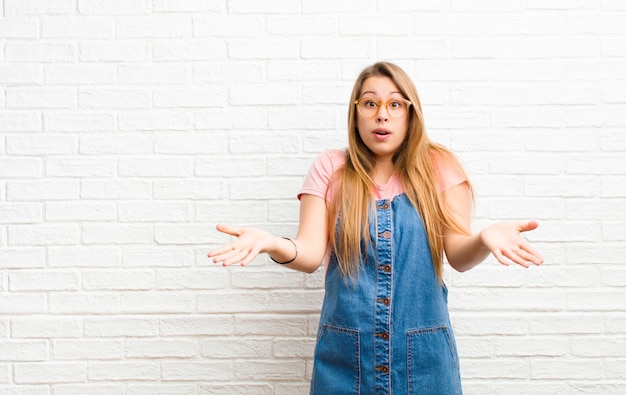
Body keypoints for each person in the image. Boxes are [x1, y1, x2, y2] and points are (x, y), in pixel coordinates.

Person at [208, 62, 543, 395]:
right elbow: (308, 254)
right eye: (370, 103)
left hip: (424, 362)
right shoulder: (331, 168)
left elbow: (458, 254)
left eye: (395, 104)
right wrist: (271, 244)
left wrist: (483, 239)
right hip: (344, 361)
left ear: (411, 114)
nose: (382, 115)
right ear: (356, 113)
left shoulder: (440, 168)